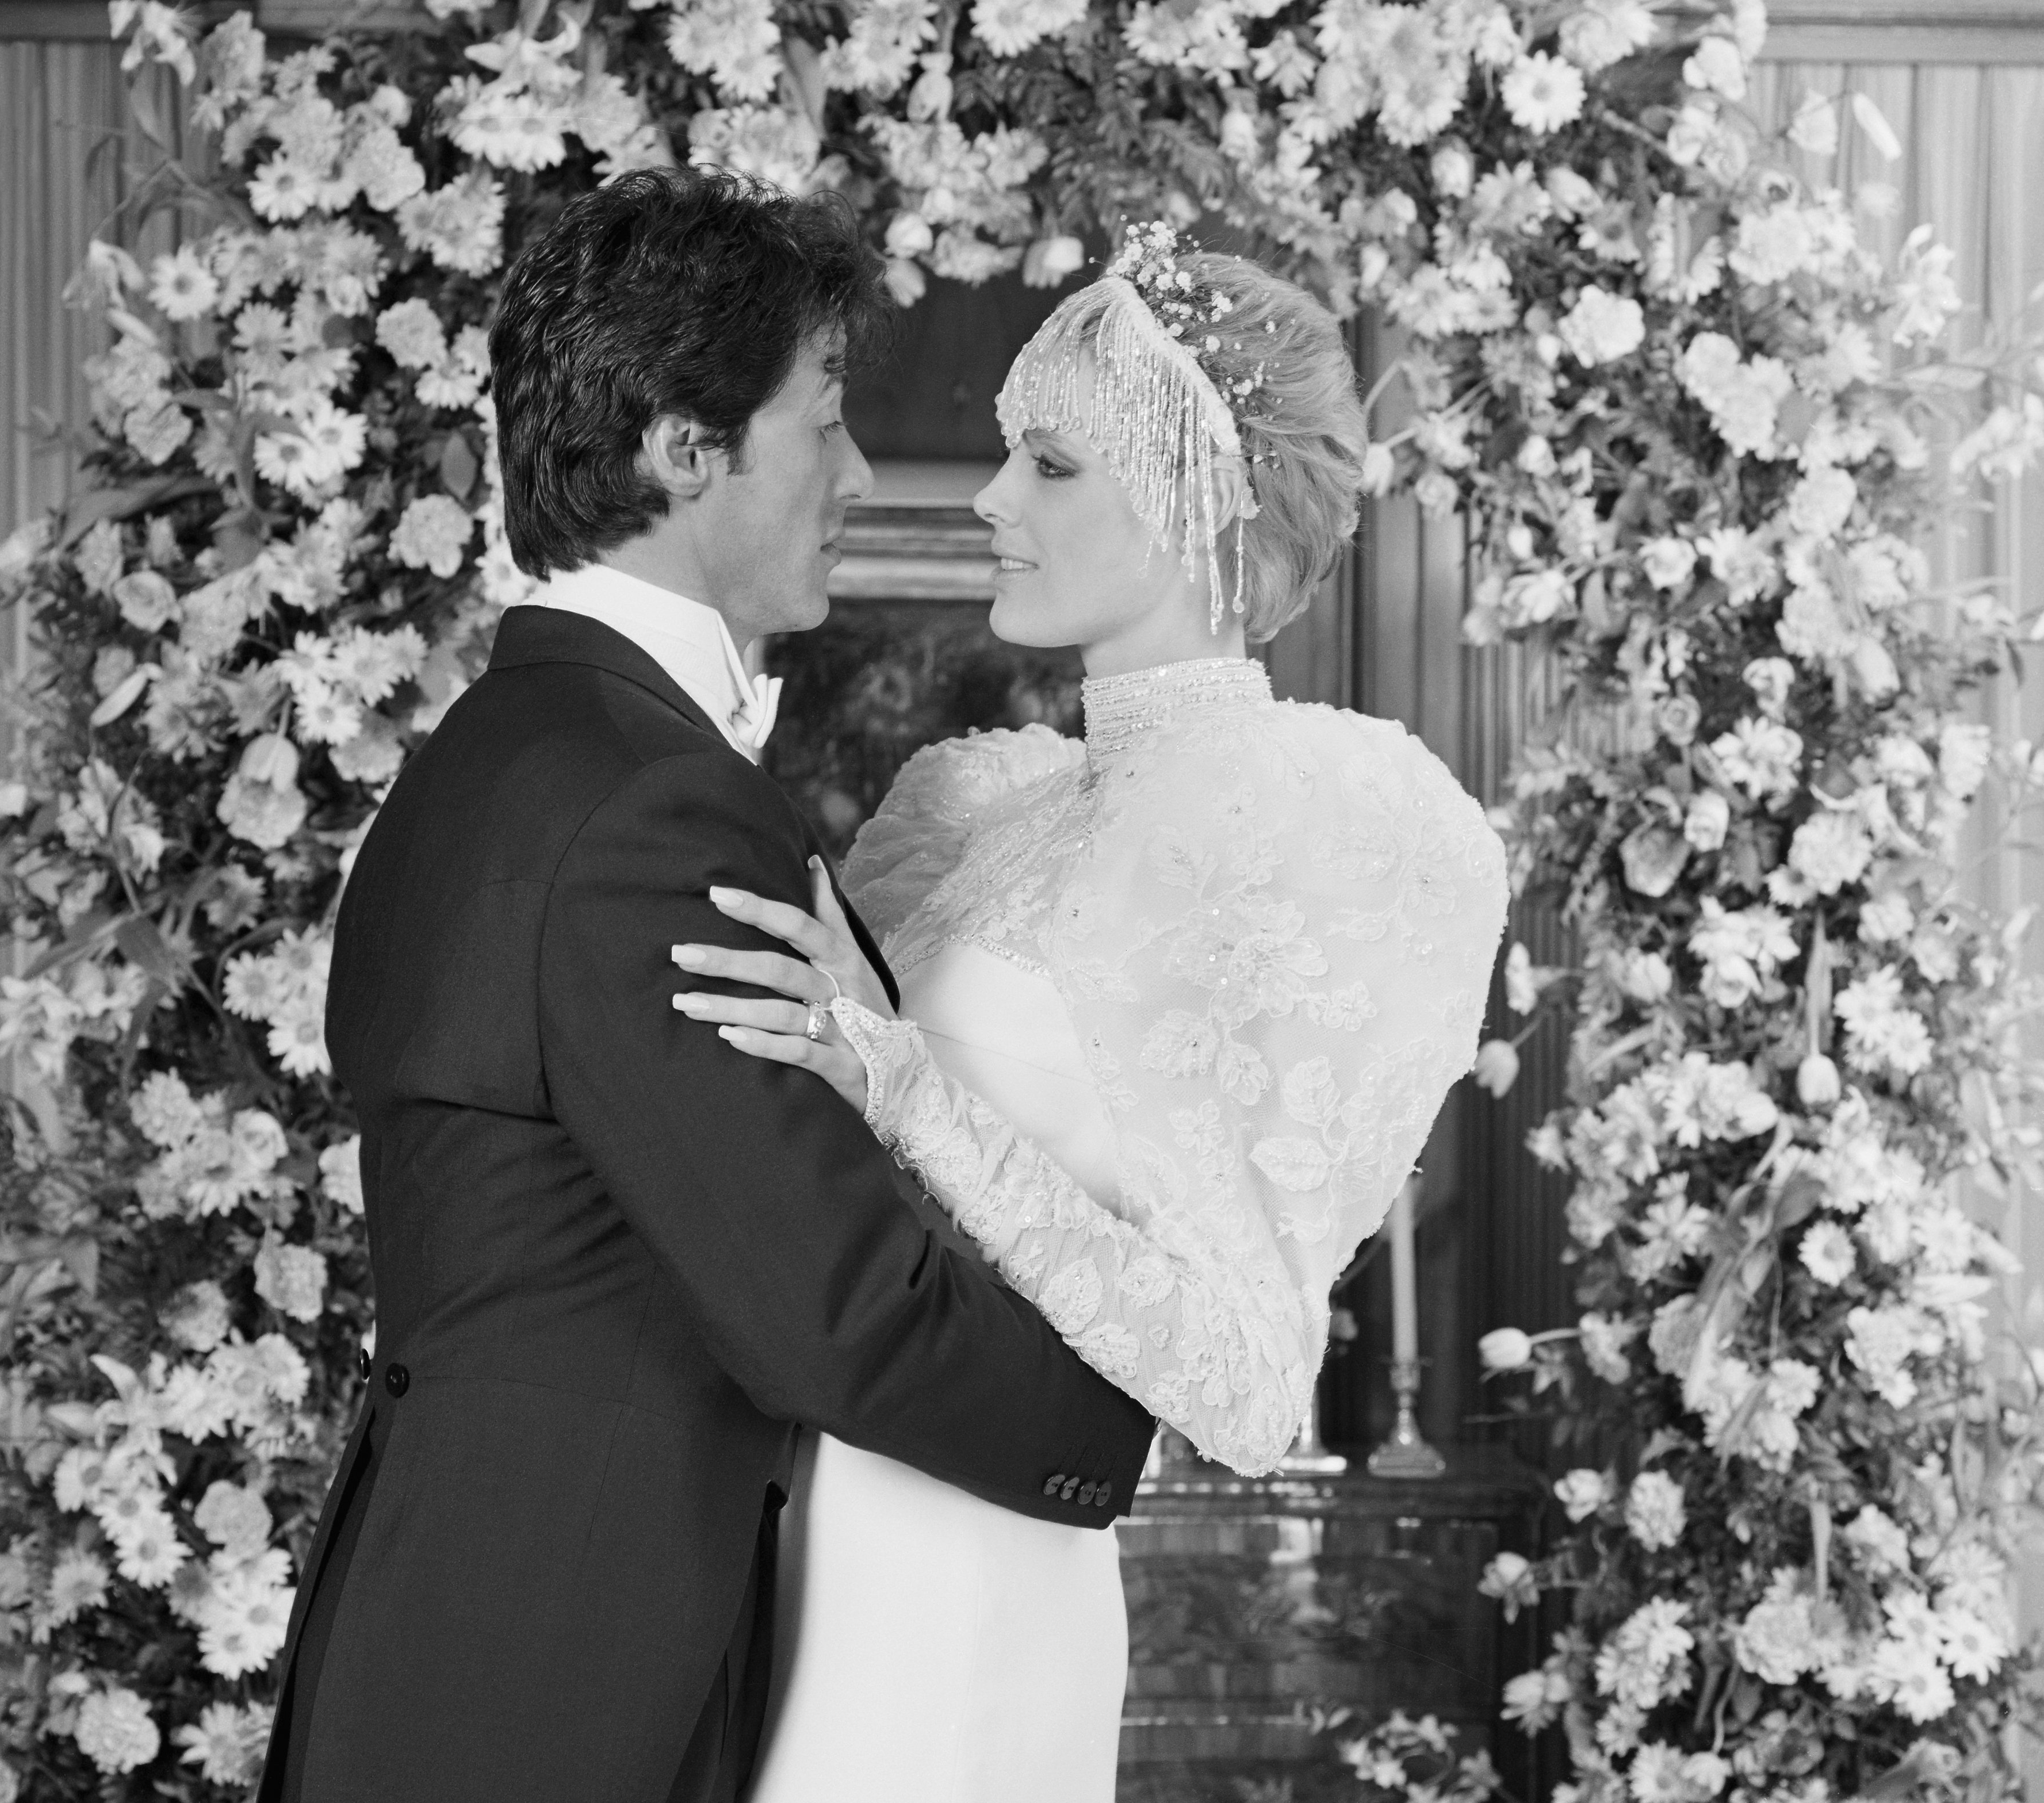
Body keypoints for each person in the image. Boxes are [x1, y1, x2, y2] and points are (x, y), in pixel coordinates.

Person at [254, 170, 1155, 1803]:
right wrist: (1123, 1414)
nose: (860, 473)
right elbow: (833, 1310)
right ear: (687, 447)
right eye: (823, 423)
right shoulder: (641, 804)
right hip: (555, 1694)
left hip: (463, 1637)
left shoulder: (505, 749)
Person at [669, 224, 1511, 1800]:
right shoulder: (979, 802)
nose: (990, 501)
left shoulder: (1307, 823)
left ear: (1208, 497)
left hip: (975, 1572)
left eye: (1049, 464)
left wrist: (912, 1089)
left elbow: (1247, 1384)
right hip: (789, 1527)